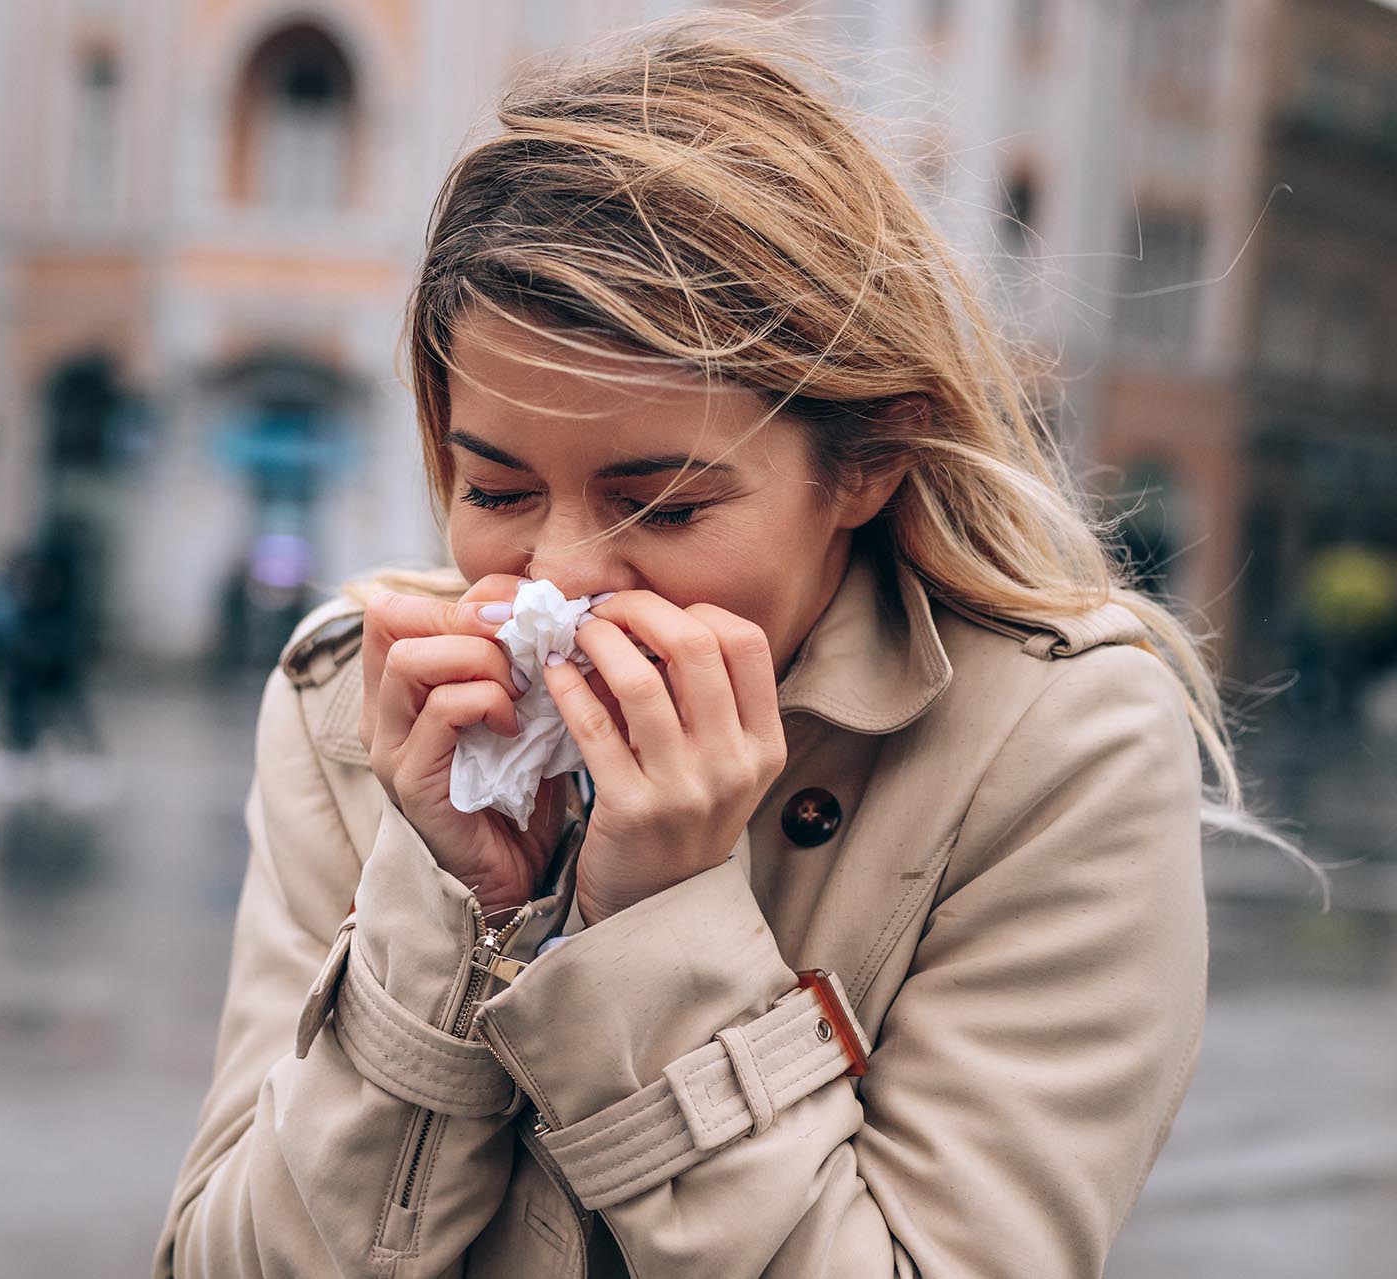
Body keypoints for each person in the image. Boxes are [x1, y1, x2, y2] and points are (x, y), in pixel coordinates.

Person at [155, 13, 1295, 1276]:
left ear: (865, 462)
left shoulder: (1058, 750)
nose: (563, 574)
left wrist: (664, 923)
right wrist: (454, 910)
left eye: (666, 505)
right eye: (496, 491)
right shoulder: (350, 707)